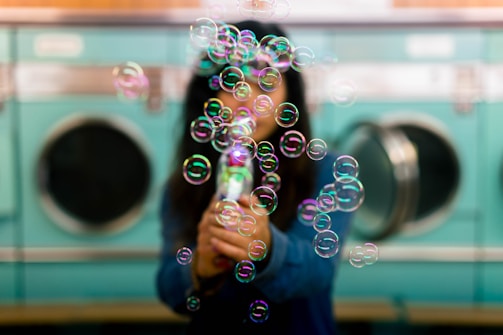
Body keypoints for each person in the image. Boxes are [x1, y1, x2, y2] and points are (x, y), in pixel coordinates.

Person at [156, 19, 354, 335]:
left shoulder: (326, 172)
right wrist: (199, 267)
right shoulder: (182, 185)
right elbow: (168, 286)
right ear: (210, 96)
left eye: (265, 84)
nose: (247, 100)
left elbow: (318, 270)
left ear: (291, 95)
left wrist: (266, 247)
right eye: (233, 83)